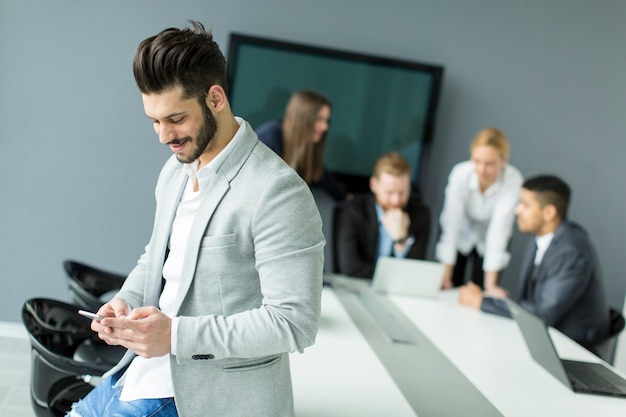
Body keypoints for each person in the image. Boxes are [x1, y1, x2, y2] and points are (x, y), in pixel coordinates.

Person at [66, 21, 325, 417]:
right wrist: (125, 300)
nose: (162, 135)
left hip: (205, 398)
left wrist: (175, 335)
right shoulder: (175, 171)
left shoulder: (277, 192)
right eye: (154, 120)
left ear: (216, 98)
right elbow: (158, 256)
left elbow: (293, 323)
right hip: (140, 372)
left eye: (175, 118)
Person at [459, 175, 611, 353]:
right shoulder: (540, 237)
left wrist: (482, 302)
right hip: (543, 340)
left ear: (548, 213)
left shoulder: (570, 251)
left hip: (572, 352)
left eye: (525, 204)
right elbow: (530, 302)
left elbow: (542, 315)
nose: (517, 210)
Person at [436, 127, 523, 296]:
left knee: (480, 292)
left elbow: (499, 229)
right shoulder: (460, 173)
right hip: (461, 231)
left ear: (504, 160)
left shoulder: (513, 180)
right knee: (449, 286)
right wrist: (445, 275)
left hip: (490, 237)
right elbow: (451, 223)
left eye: (490, 164)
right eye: (477, 161)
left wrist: (490, 286)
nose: (481, 169)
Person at [335, 151, 430, 278]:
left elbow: (414, 274)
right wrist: (394, 278)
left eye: (402, 193)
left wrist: (401, 240)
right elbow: (351, 268)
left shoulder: (421, 215)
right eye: (390, 192)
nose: (396, 201)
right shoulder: (353, 211)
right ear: (374, 185)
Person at [255, 90, 348, 201]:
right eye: (319, 120)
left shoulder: (308, 145)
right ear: (302, 119)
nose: (325, 127)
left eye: (327, 121)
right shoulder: (269, 137)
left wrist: (348, 199)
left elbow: (323, 177)